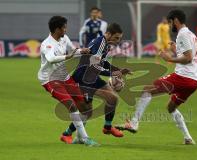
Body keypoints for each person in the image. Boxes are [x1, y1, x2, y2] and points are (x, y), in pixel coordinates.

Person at [116, 10, 197, 145]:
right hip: (194, 81)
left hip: (183, 77)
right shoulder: (191, 34)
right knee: (171, 107)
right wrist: (176, 50)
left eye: (170, 22)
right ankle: (188, 138)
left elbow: (189, 58)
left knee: (147, 88)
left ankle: (134, 123)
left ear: (176, 20)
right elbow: (192, 55)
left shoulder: (182, 34)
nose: (169, 25)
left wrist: (170, 59)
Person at [60, 23, 131, 144]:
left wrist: (117, 70)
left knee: (113, 99)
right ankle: (66, 133)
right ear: (108, 34)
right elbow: (95, 66)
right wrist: (113, 74)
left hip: (92, 77)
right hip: (83, 79)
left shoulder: (105, 44)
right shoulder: (100, 44)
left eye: (119, 38)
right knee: (87, 112)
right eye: (116, 38)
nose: (118, 41)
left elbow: (102, 63)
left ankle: (107, 127)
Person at [37, 16, 99, 146]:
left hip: (64, 77)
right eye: (64, 27)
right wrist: (68, 56)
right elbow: (51, 59)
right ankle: (86, 139)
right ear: (57, 29)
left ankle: (72, 136)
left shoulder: (64, 38)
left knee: (86, 108)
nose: (66, 29)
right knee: (71, 105)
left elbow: (72, 50)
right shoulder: (47, 44)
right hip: (50, 80)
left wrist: (83, 51)